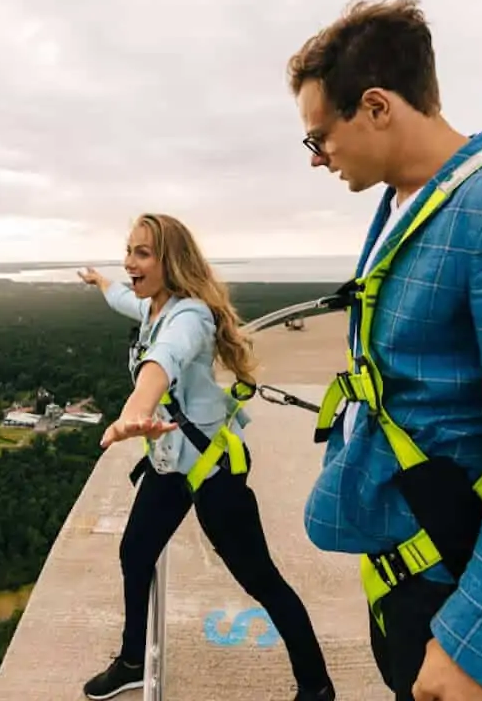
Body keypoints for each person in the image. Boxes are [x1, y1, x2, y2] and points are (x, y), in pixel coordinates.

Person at [286, 0, 482, 701]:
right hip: (402, 570)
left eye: (318, 137)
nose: (317, 159)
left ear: (375, 106)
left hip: (451, 592)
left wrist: (479, 644)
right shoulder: (409, 199)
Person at [77, 212, 335, 701]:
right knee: (135, 553)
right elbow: (123, 300)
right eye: (127, 251)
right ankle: (133, 661)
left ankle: (317, 686)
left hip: (211, 471)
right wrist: (100, 281)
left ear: (170, 261)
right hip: (171, 466)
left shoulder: (188, 316)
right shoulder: (154, 306)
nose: (129, 262)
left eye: (142, 253)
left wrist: (135, 410)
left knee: (261, 579)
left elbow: (163, 358)